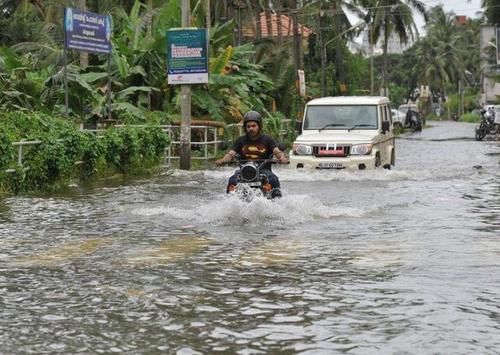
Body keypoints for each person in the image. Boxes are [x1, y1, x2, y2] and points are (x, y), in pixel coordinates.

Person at [215, 110, 288, 194]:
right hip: (244, 171)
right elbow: (231, 153)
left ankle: (278, 202)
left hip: (264, 171)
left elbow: (277, 151)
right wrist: (223, 160)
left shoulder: (267, 139)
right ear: (245, 128)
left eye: (254, 126)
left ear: (259, 126)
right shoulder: (240, 140)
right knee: (232, 180)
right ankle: (230, 201)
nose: (251, 128)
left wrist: (282, 158)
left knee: (274, 180)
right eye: (248, 126)